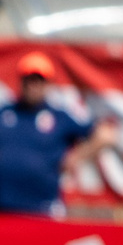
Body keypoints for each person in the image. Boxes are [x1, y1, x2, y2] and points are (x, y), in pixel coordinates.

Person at [0, 51, 105, 215]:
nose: (33, 85)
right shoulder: (6, 113)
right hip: (4, 206)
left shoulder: (59, 117)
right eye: (28, 80)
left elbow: (105, 134)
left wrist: (76, 156)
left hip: (42, 206)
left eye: (38, 80)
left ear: (48, 84)